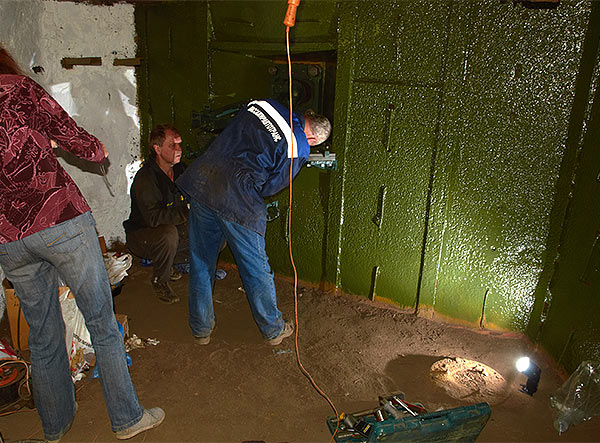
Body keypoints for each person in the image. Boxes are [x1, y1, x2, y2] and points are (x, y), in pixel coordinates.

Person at [0, 44, 164, 441]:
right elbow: (71, 134)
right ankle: (127, 418)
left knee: (42, 335)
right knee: (101, 323)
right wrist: (96, 150)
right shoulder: (19, 89)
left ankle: (55, 428)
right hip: (59, 220)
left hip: (9, 238)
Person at [176, 99, 331, 345]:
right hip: (237, 194)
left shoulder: (264, 104)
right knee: (256, 268)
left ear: (307, 116)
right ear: (313, 140)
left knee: (201, 258)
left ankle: (200, 328)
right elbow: (272, 186)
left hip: (204, 180)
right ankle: (273, 329)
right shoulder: (299, 146)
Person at [124, 124, 188, 304]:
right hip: (143, 236)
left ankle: (174, 264)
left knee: (212, 230)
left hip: (171, 231)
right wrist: (187, 210)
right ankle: (160, 280)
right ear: (157, 149)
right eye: (172, 145)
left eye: (179, 144)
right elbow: (154, 218)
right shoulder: (146, 178)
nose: (178, 149)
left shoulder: (180, 170)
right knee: (168, 235)